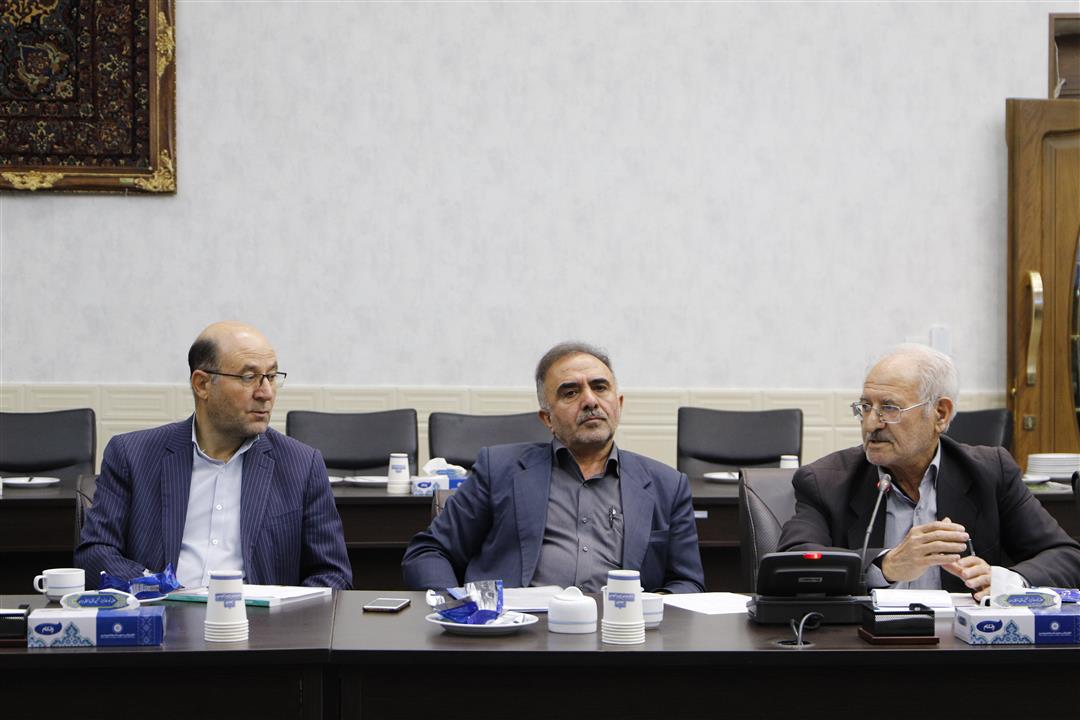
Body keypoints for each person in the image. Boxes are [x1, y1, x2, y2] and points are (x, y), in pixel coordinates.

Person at [778, 344, 1080, 599]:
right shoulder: (825, 480)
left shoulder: (990, 472)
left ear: (940, 414)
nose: (871, 423)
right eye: (865, 407)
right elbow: (792, 565)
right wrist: (885, 565)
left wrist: (1007, 580)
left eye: (889, 408)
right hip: (865, 643)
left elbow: (1067, 557)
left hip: (963, 642)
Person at [402, 342, 705, 594]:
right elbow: (428, 552)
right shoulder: (500, 470)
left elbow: (687, 582)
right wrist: (457, 607)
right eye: (570, 392)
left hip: (618, 636)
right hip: (515, 634)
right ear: (547, 419)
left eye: (600, 387)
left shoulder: (667, 485)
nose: (590, 401)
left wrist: (647, 610)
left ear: (619, 404)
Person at [76, 321, 352, 589]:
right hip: (161, 615)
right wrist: (157, 590)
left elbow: (332, 574)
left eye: (271, 376)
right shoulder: (132, 455)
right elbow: (95, 553)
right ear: (202, 384)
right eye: (249, 377)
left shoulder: (301, 465)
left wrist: (282, 614)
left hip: (258, 619)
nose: (266, 393)